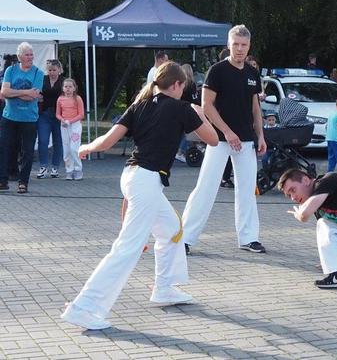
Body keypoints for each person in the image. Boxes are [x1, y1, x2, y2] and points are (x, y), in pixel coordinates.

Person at [60, 61, 219, 330]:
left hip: (134, 177)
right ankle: (84, 307)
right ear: (178, 85)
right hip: (145, 180)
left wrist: (85, 147)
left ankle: (164, 288)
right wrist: (200, 113)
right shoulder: (182, 109)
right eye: (184, 87)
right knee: (127, 248)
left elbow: (107, 141)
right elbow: (213, 139)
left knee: (171, 229)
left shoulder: (139, 105)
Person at [181, 25, 268, 254]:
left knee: (247, 189)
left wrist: (261, 136)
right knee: (206, 188)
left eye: (244, 45)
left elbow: (255, 107)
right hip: (219, 140)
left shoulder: (252, 73)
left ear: (249, 46)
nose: (239, 49)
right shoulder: (217, 71)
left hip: (247, 141)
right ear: (228, 45)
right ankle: (185, 238)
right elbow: (206, 105)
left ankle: (249, 238)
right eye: (236, 44)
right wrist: (227, 132)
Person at [0, 42, 44, 193]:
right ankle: (3, 181)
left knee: (27, 151)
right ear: (20, 57)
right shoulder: (10, 70)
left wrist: (13, 93)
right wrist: (25, 92)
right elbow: (4, 93)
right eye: (27, 54)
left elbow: (33, 97)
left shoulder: (38, 72)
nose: (31, 57)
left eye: (32, 54)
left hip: (29, 119)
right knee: (4, 148)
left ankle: (23, 182)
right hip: (9, 117)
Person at [37, 59, 64, 179]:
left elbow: (71, 95)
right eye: (50, 70)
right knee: (43, 141)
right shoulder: (42, 79)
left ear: (59, 70)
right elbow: (36, 92)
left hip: (59, 115)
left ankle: (55, 167)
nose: (52, 72)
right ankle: (43, 166)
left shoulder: (64, 82)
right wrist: (38, 97)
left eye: (54, 70)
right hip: (44, 114)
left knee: (58, 141)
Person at [56, 79, 85, 180]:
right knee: (66, 149)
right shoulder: (60, 99)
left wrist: (70, 121)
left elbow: (81, 114)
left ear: (74, 88)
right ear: (63, 88)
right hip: (64, 125)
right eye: (66, 87)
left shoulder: (77, 98)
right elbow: (58, 114)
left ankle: (78, 169)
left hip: (75, 125)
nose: (68, 89)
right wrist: (63, 120)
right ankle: (69, 170)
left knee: (74, 148)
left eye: (70, 87)